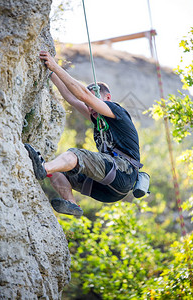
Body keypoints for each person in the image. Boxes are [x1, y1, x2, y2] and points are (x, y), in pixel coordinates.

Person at [25, 51, 142, 217]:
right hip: (108, 191)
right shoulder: (97, 117)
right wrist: (50, 72)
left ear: (107, 97)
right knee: (58, 170)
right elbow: (72, 98)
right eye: (88, 105)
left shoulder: (116, 110)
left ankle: (43, 168)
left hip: (123, 172)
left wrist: (55, 66)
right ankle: (72, 204)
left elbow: (83, 95)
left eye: (93, 101)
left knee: (75, 154)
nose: (89, 108)